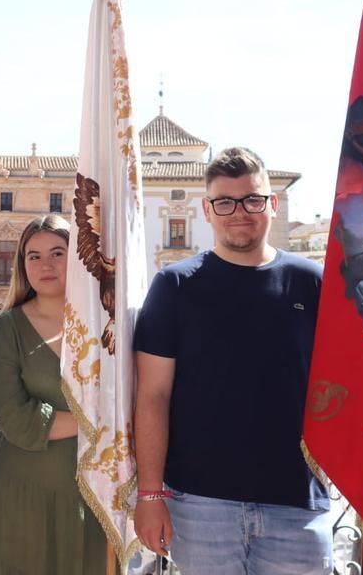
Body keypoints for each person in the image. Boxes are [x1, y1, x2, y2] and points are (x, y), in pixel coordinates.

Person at [133, 147, 331, 574]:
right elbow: (152, 395)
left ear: (271, 205)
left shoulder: (312, 282)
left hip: (296, 503)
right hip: (200, 504)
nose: (239, 212)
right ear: (207, 209)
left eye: (252, 200)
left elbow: (340, 385)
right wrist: (150, 496)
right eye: (225, 201)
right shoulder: (175, 285)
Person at [0, 215, 107, 573]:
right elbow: (17, 421)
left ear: (75, 257)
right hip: (20, 494)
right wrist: (98, 422)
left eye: (57, 253)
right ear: (22, 264)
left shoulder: (105, 326)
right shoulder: (5, 328)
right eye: (34, 256)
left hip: (91, 495)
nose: (45, 265)